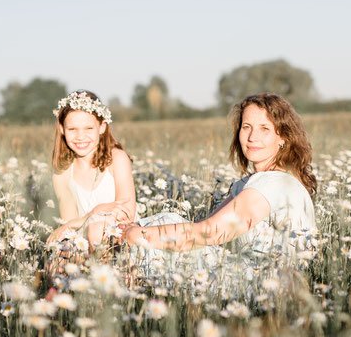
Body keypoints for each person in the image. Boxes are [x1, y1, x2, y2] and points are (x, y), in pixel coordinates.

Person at [123, 92, 317, 258]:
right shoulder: (250, 183)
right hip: (245, 274)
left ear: (282, 137)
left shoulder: (274, 184)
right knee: (168, 221)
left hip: (263, 286)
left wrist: (141, 235)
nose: (252, 137)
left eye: (264, 128)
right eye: (246, 127)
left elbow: (208, 234)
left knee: (155, 238)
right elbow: (204, 227)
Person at [47, 90, 136, 247]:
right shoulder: (62, 172)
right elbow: (69, 225)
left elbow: (126, 213)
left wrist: (94, 215)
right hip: (85, 242)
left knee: (97, 228)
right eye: (72, 129)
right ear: (62, 129)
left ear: (101, 127)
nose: (80, 136)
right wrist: (94, 213)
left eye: (88, 128)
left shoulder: (117, 159)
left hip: (122, 238)